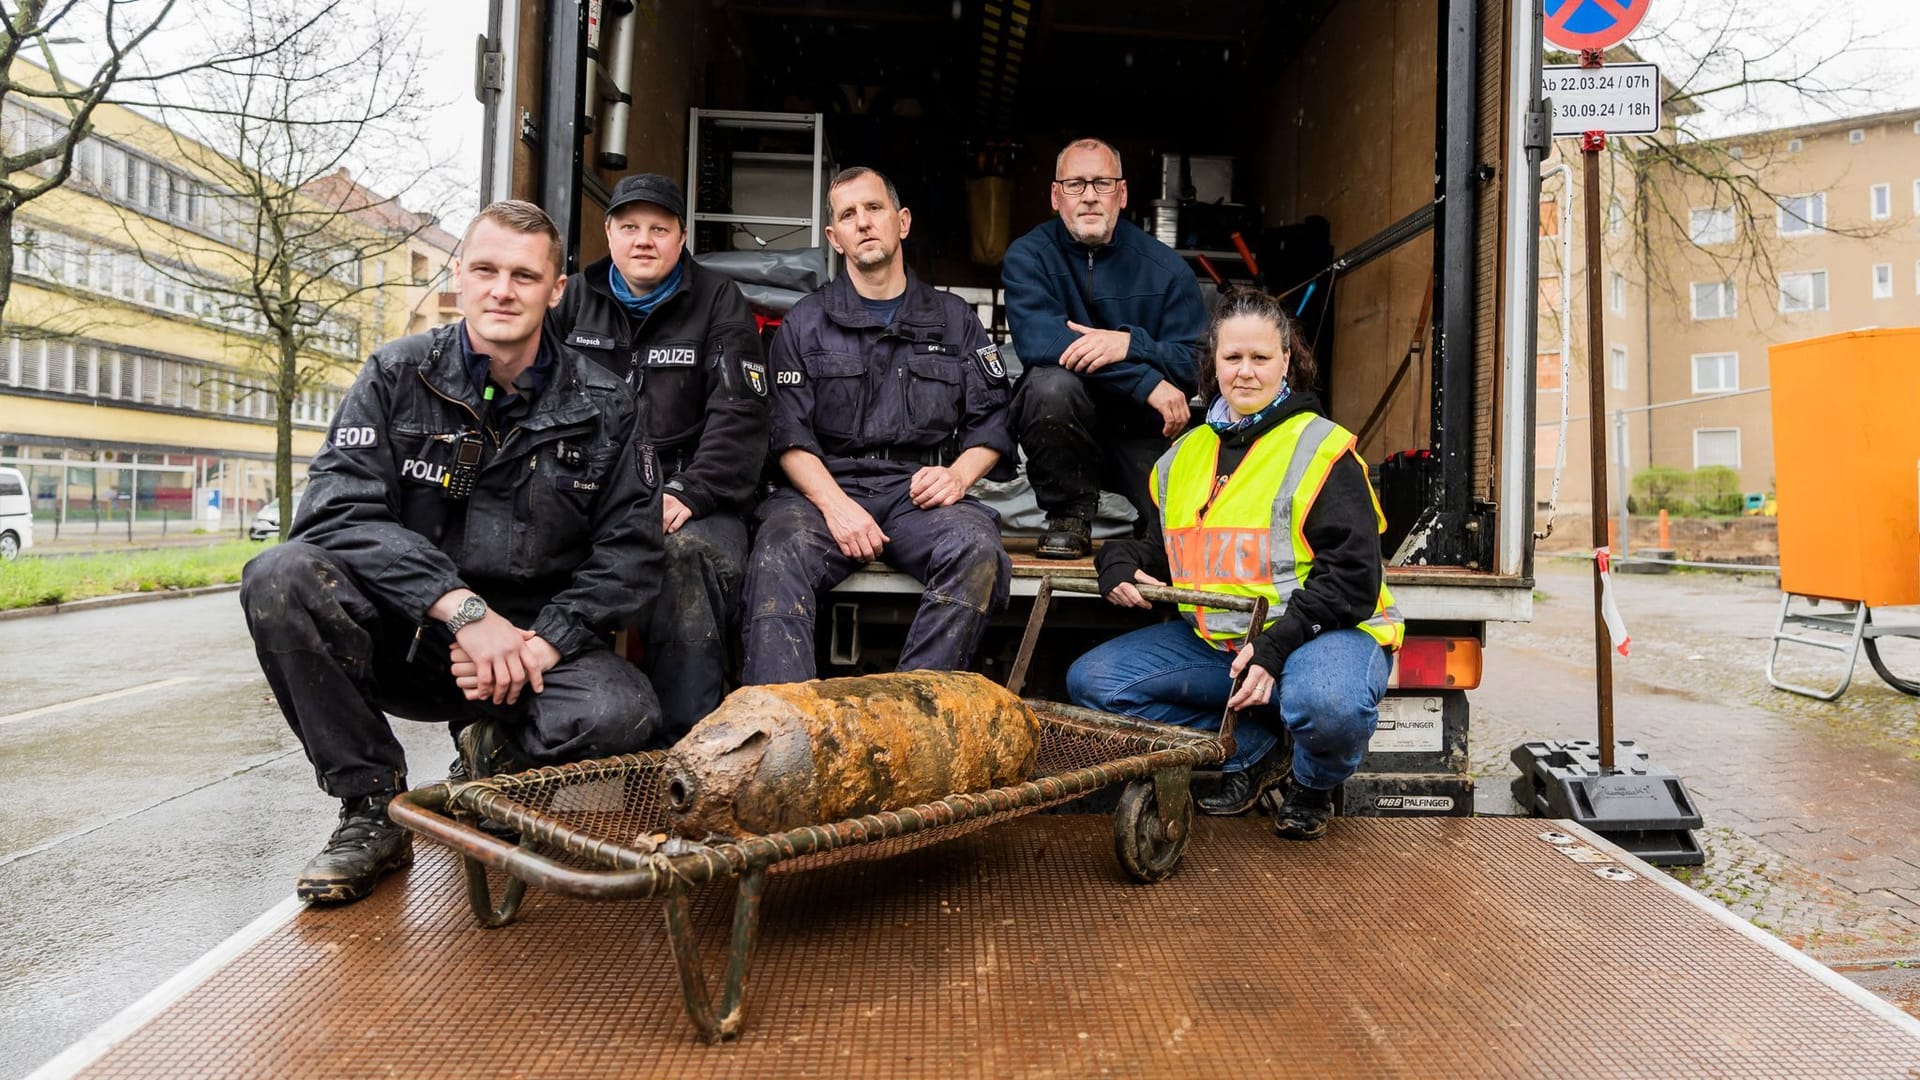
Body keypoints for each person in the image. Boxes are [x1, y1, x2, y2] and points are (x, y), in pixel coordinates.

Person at [241, 200, 663, 904]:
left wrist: (542, 643)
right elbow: (336, 512)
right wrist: (465, 613)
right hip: (410, 633)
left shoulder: (607, 403)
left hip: (532, 647)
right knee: (280, 578)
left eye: (525, 276)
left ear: (555, 290)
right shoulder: (395, 374)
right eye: (487, 270)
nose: (503, 290)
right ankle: (372, 809)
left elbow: (631, 553)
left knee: (624, 716)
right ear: (459, 277)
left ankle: (491, 753)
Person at [1065, 289, 1402, 837]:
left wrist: (1273, 650)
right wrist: (1118, 563)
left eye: (1261, 358)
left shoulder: (1322, 448)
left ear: (1286, 361)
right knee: (1097, 685)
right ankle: (1254, 749)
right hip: (1222, 648)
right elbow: (1161, 549)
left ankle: (1312, 785)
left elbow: (1353, 578)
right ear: (1213, 364)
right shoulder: (1185, 454)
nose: (1245, 372)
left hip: (1323, 636)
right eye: (1232, 358)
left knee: (1329, 706)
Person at [742, 166, 1015, 683]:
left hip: (918, 496)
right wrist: (837, 507)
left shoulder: (955, 320)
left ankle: (906, 714)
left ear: (902, 221)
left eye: (874, 209)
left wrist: (957, 476)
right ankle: (785, 734)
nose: (863, 223)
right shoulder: (804, 322)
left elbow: (994, 417)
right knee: (777, 552)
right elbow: (786, 432)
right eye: (848, 215)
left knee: (976, 547)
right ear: (834, 238)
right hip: (823, 494)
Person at [548, 172, 769, 741]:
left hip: (693, 490)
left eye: (659, 228)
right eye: (630, 227)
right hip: (587, 486)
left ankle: (683, 752)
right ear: (609, 232)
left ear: (682, 236)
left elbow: (740, 417)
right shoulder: (572, 299)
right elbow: (535, 398)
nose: (643, 239)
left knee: (688, 557)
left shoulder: (720, 300)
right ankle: (535, 739)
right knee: (527, 546)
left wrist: (688, 493)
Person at [1002, 137, 1208, 558]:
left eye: (1102, 183)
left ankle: (1145, 528)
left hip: (1141, 431)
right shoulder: (1029, 258)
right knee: (1048, 385)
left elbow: (1198, 364)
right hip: (1064, 430)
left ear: (1123, 193)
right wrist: (1145, 379)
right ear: (1055, 196)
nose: (1090, 196)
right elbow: (1042, 343)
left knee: (1181, 545)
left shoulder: (1166, 270)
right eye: (1076, 184)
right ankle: (1069, 514)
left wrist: (1132, 343)